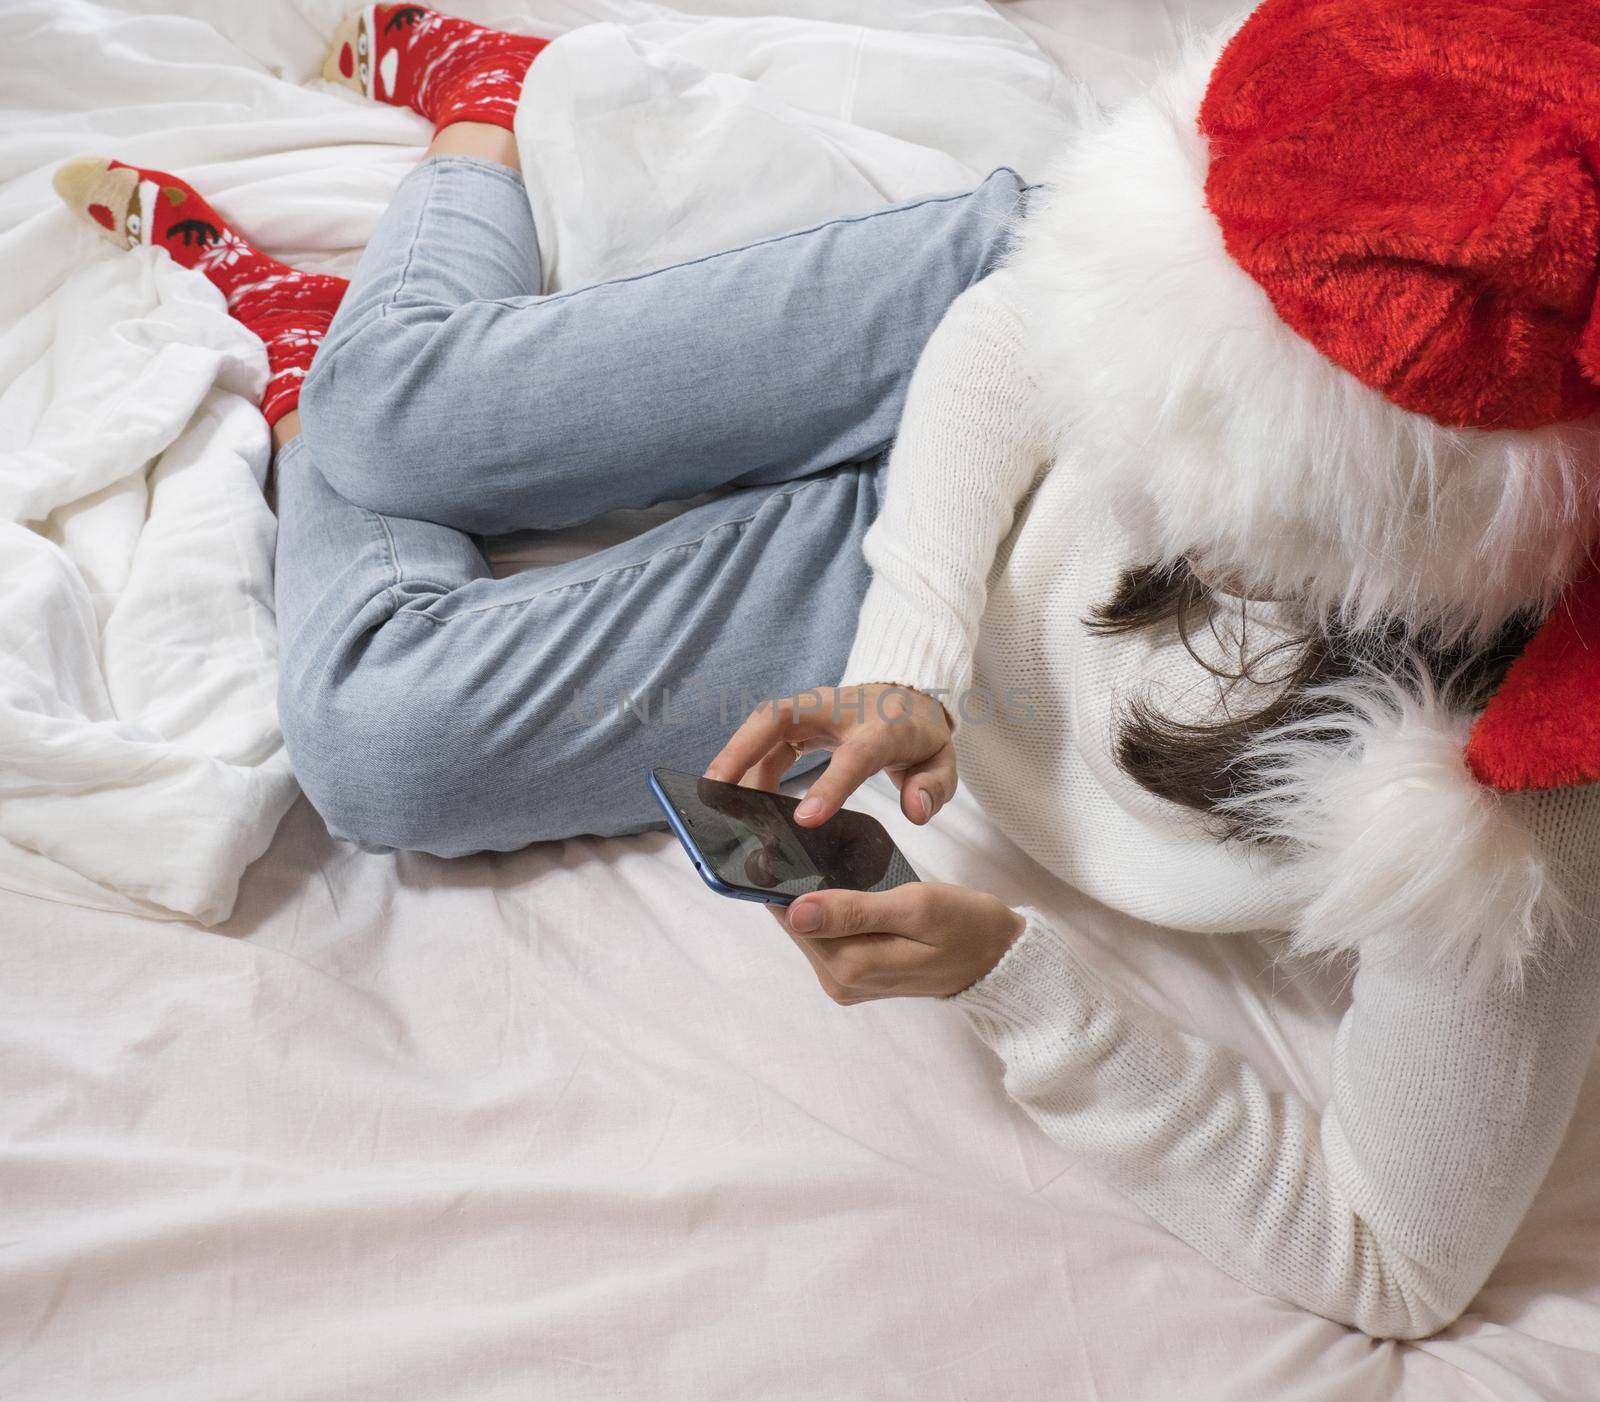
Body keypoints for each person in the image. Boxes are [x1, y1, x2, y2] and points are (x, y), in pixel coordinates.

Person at [54, 0, 1600, 1342]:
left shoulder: (1508, 814)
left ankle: (318, 390)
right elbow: (1015, 334)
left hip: (1019, 650)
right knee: (409, 413)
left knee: (377, 739)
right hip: (955, 402)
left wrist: (1016, 977)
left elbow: (1392, 1253)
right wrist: (907, 653)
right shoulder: (1173, 289)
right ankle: (483, 107)